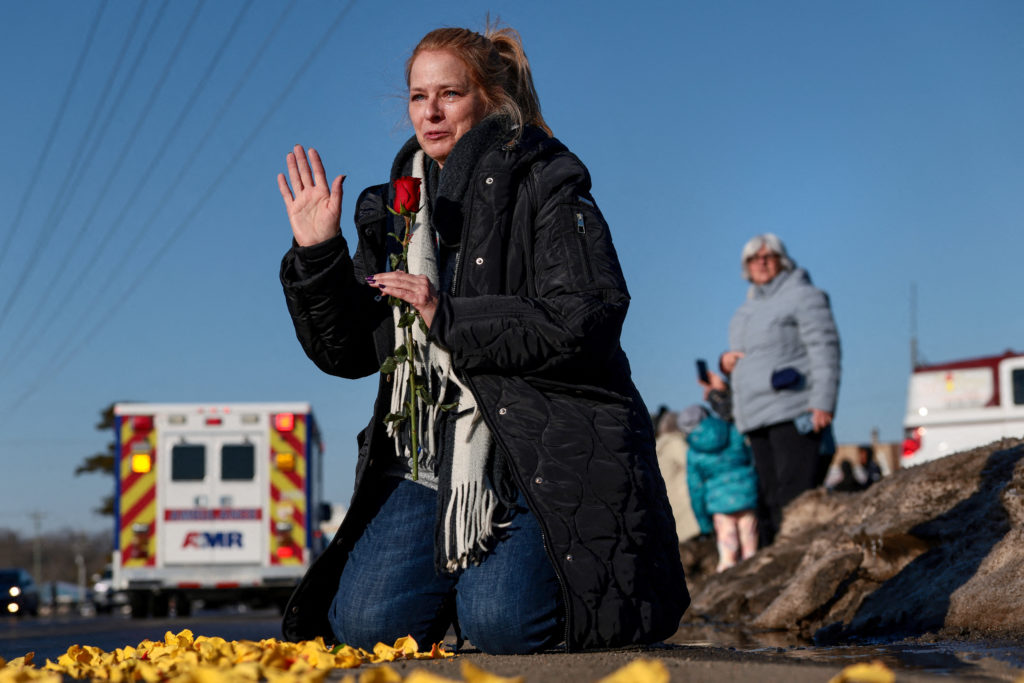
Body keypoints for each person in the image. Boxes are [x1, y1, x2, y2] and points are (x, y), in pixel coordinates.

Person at [275, 25, 687, 654]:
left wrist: (450, 314)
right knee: (361, 628)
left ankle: (495, 575)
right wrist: (318, 256)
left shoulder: (547, 180)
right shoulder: (392, 208)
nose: (431, 113)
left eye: (449, 94)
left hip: (537, 450)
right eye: (418, 97)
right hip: (428, 452)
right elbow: (351, 352)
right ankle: (465, 569)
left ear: (489, 99)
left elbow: (588, 314)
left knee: (502, 624)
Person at [719, 233, 840, 546]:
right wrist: (726, 363)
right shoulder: (742, 312)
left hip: (793, 409)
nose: (761, 261)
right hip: (754, 416)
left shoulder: (804, 295)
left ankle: (799, 562)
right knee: (768, 499)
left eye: (768, 255)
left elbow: (824, 348)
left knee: (794, 496)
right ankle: (775, 570)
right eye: (753, 258)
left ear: (782, 260)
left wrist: (823, 402)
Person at [677, 401, 759, 572]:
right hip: (746, 494)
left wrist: (704, 523)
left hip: (719, 504)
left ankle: (729, 579)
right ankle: (755, 573)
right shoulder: (732, 430)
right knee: (750, 546)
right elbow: (751, 458)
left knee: (728, 551)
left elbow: (695, 488)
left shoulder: (693, 452)